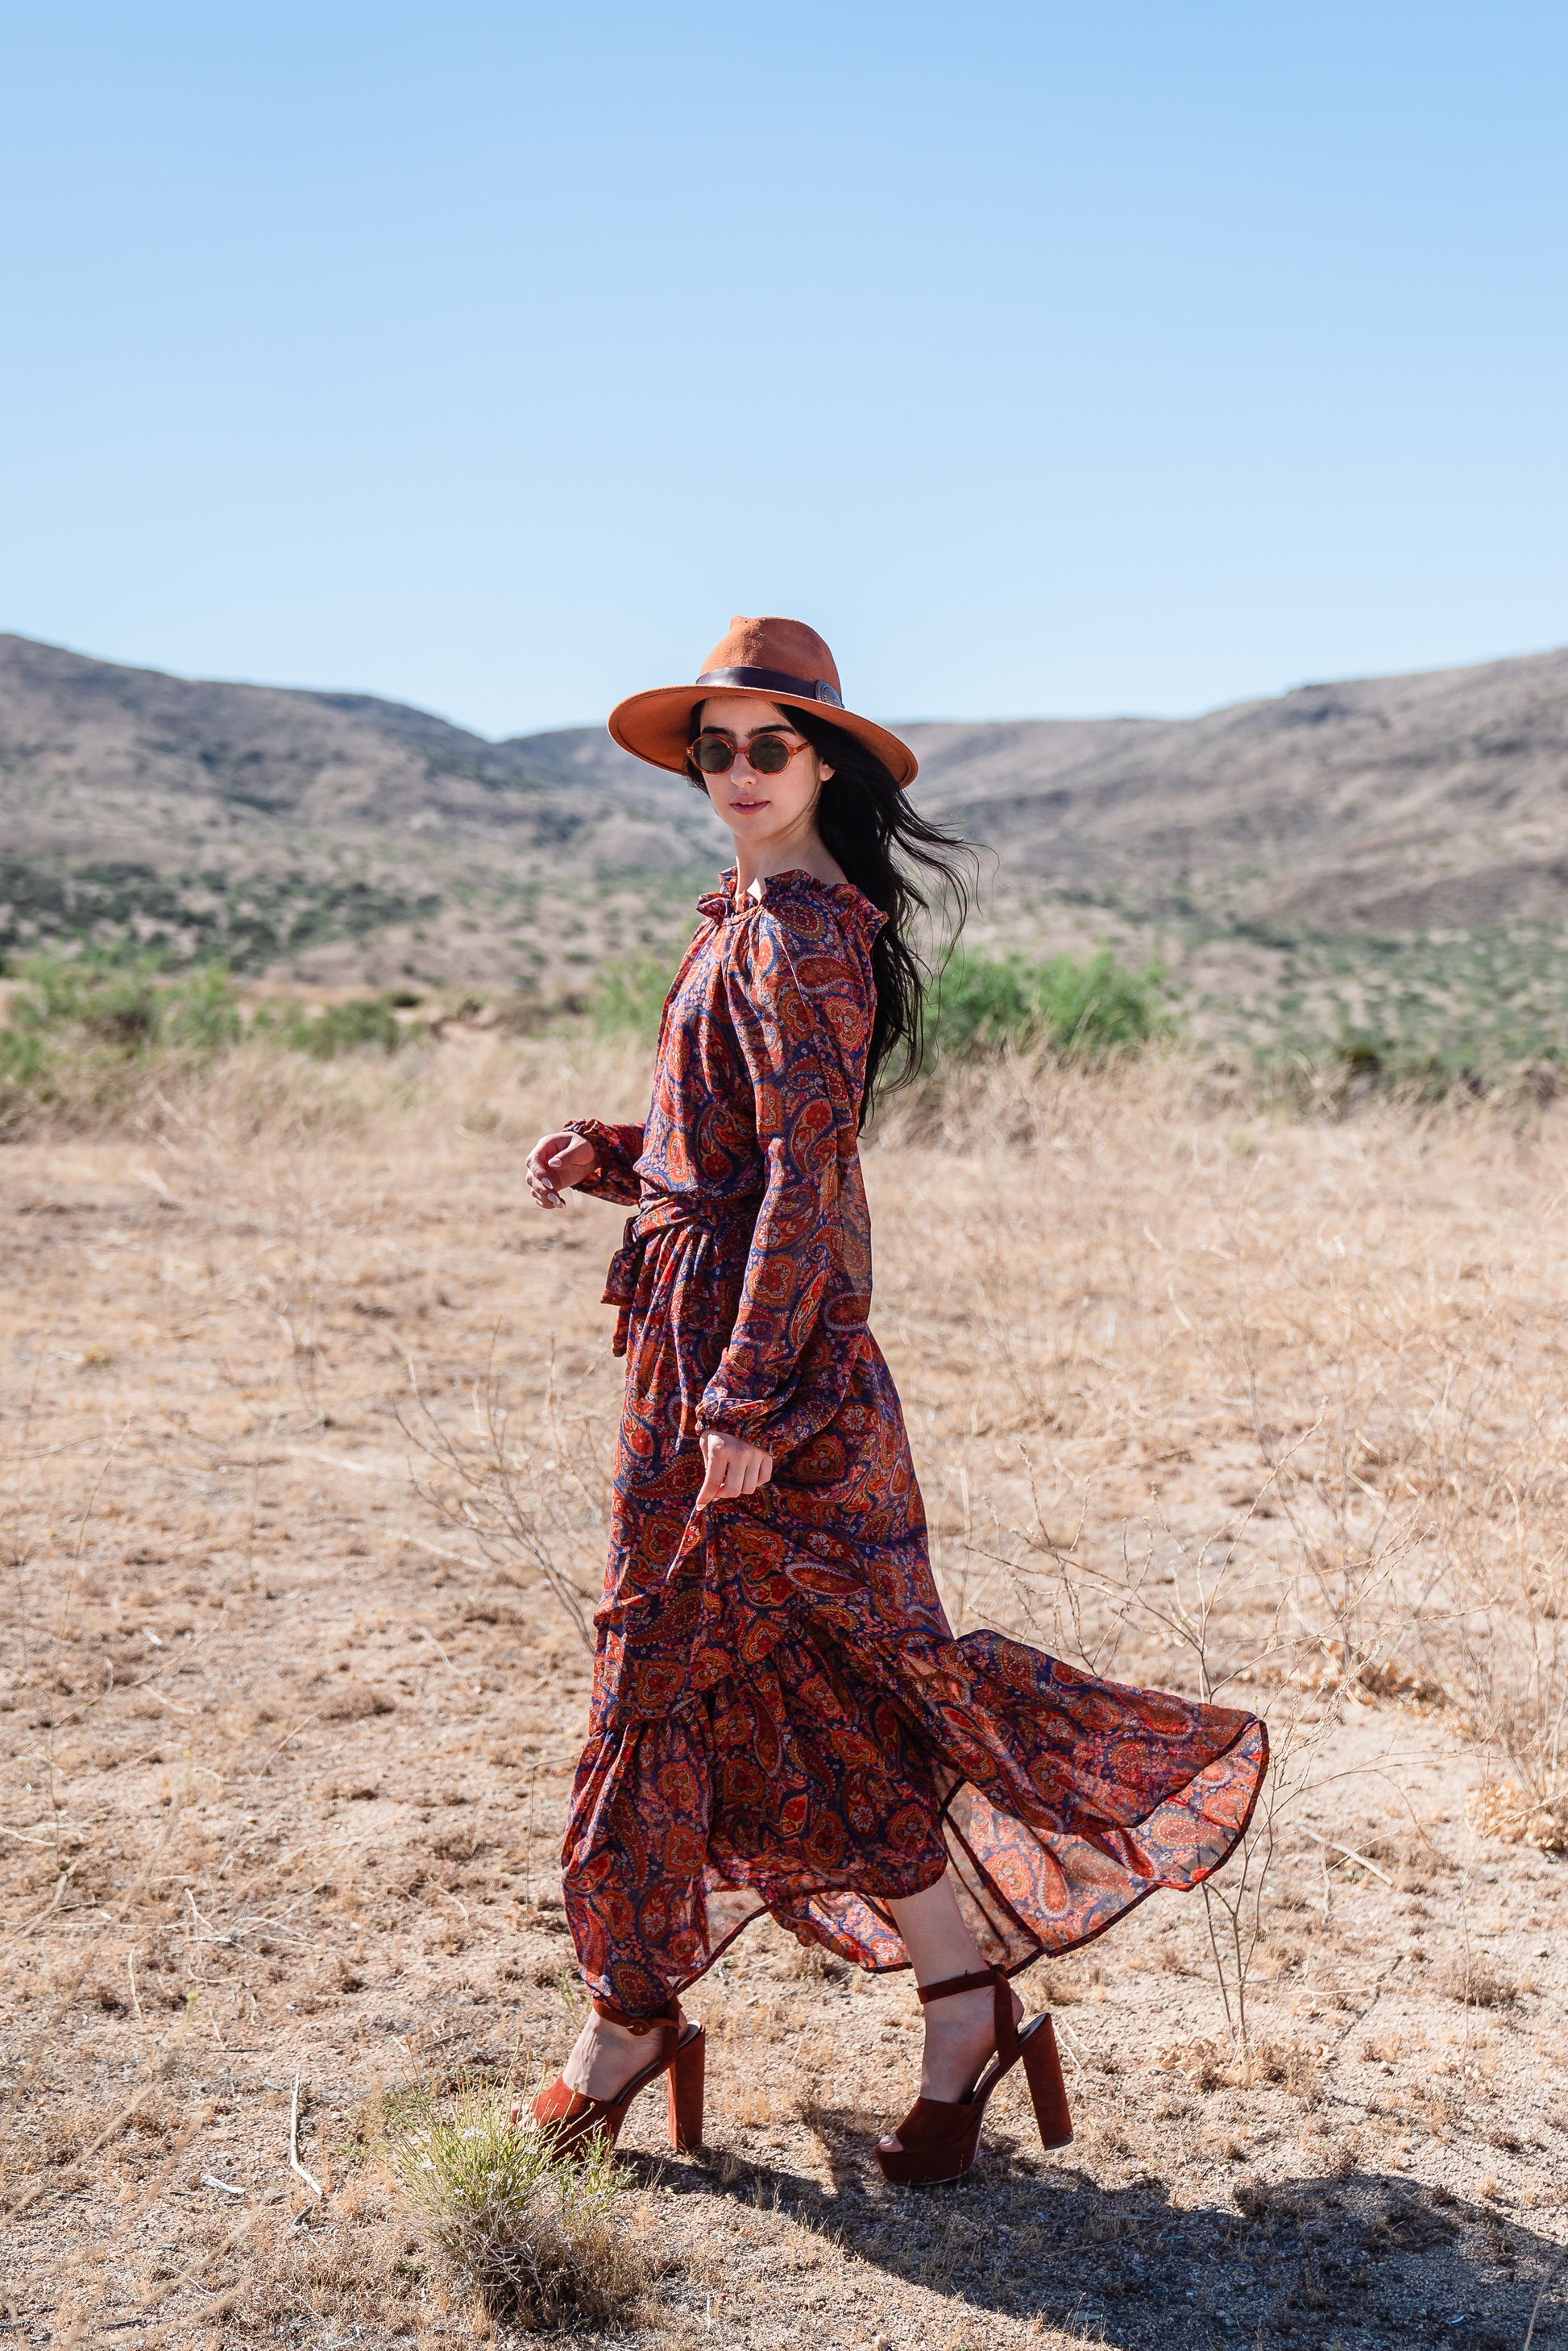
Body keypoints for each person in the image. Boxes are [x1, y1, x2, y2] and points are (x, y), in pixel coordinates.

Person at [525, 617, 1267, 2184]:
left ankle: (625, 2024)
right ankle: (963, 2004)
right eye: (711, 747)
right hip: (717, 1355)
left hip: (761, 1387)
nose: (733, 772)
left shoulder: (802, 931)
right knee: (826, 1701)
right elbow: (724, 1153)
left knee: (670, 1684)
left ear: (825, 763)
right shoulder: (740, 916)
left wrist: (742, 1398)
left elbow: (809, 1181)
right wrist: (616, 1156)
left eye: (765, 747)